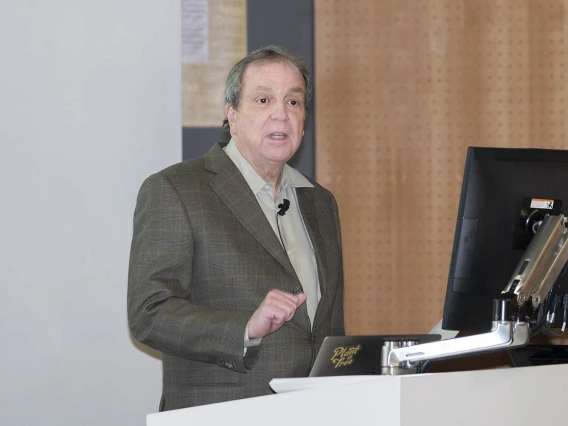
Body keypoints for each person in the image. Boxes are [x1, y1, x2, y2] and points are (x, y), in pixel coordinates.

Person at [128, 45, 344, 411]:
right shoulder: (177, 189)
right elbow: (149, 313)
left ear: (304, 121)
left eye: (293, 102)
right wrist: (246, 327)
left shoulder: (320, 203)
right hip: (221, 411)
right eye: (263, 100)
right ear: (232, 115)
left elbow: (329, 326)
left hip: (312, 413)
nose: (281, 113)